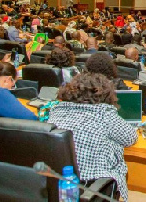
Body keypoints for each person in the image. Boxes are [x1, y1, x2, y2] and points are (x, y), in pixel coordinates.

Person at [47, 72, 138, 201]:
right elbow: (130, 138)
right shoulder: (103, 113)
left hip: (59, 184)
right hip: (90, 184)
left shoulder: (56, 111)